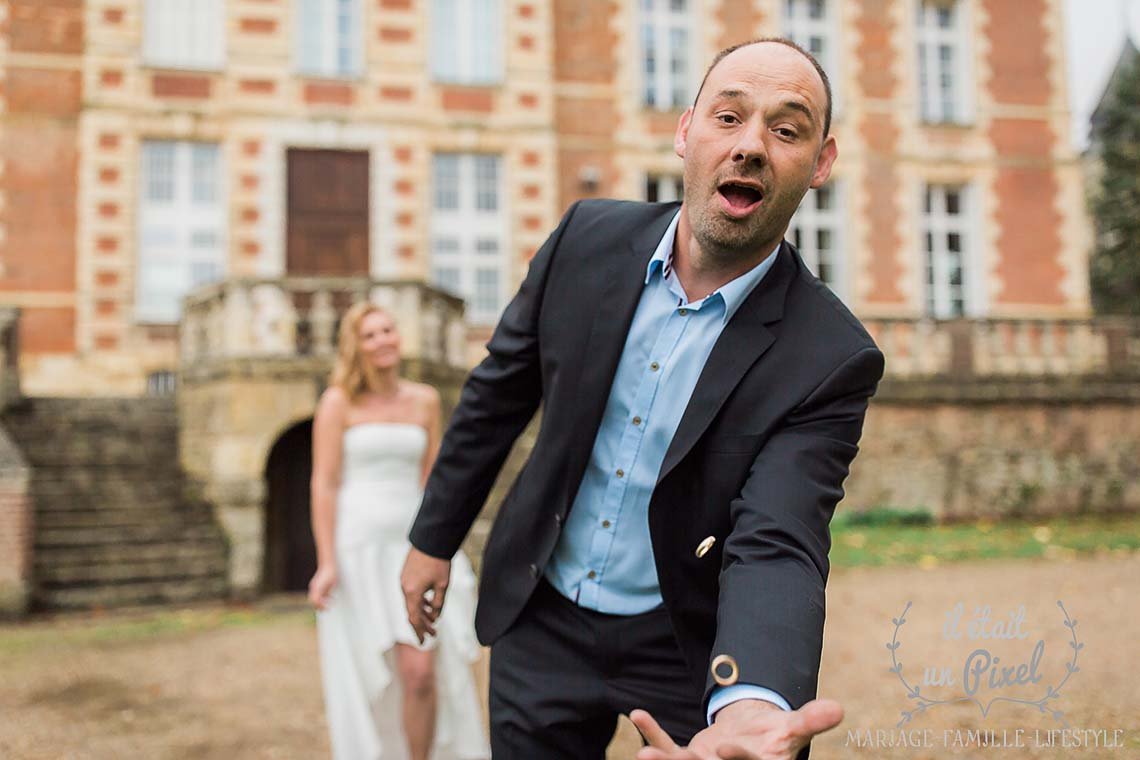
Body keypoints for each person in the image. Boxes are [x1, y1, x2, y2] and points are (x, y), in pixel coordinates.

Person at [402, 38, 884, 760]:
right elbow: (496, 395)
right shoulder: (584, 240)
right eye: (729, 117)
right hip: (541, 613)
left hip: (686, 643)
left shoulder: (830, 356)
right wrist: (431, 540)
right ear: (686, 130)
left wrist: (752, 702)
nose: (750, 145)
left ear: (821, 163)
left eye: (787, 130)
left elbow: (780, 536)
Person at [308, 302, 490, 760]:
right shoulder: (337, 402)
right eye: (369, 335)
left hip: (413, 544)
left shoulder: (424, 399)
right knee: (376, 673)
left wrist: (444, 543)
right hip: (359, 548)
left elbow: (433, 478)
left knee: (421, 671)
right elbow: (325, 483)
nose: (382, 340)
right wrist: (326, 562)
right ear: (355, 347)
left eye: (387, 330)